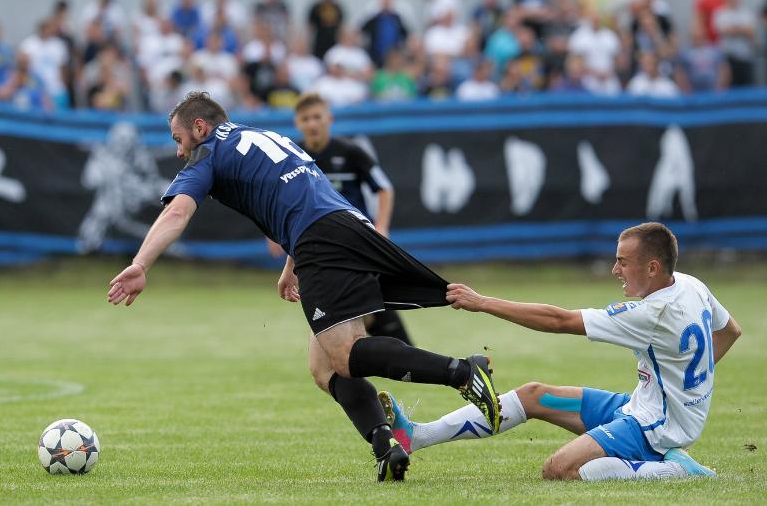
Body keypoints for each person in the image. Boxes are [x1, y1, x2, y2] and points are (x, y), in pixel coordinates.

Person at [106, 91, 501, 481]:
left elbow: (177, 212)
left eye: (178, 139)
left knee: (345, 355)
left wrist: (140, 264)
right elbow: (306, 193)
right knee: (323, 366)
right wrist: (291, 264)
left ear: (199, 127)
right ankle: (387, 446)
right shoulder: (260, 136)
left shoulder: (209, 152)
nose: (179, 151)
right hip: (346, 226)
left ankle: (463, 372)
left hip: (321, 240)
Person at [380, 222, 742, 481]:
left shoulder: (651, 313)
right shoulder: (692, 285)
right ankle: (417, 435)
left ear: (652, 267)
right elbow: (730, 331)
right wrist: (690, 383)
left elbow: (559, 320)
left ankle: (674, 469)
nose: (615, 269)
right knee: (533, 395)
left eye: (622, 261)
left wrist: (483, 302)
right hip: (643, 408)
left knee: (560, 469)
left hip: (655, 429)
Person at [279, 92, 413, 346]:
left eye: (317, 117)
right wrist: (276, 235)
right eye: (306, 119)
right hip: (317, 246)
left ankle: (404, 356)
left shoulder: (351, 152)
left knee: (358, 310)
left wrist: (381, 227)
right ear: (297, 123)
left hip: (355, 241)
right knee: (357, 311)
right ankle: (403, 356)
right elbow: (284, 199)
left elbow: (384, 187)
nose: (312, 124)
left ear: (329, 119)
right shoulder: (294, 157)